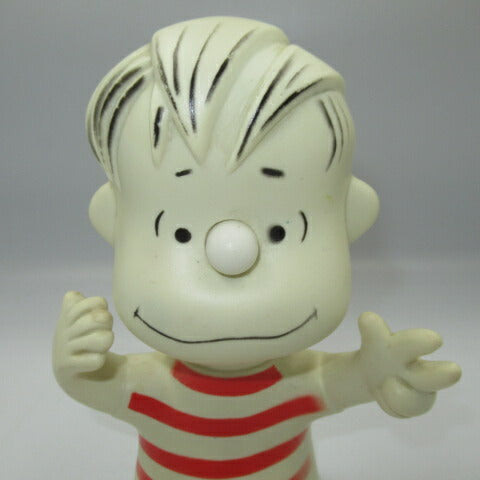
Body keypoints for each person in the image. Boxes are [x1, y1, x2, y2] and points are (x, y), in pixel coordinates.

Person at [53, 17, 461, 480]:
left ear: (349, 215)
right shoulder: (150, 387)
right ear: (115, 222)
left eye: (280, 232)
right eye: (180, 232)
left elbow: (353, 382)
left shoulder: (302, 381)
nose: (232, 256)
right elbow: (94, 383)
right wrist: (72, 361)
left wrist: (381, 374)